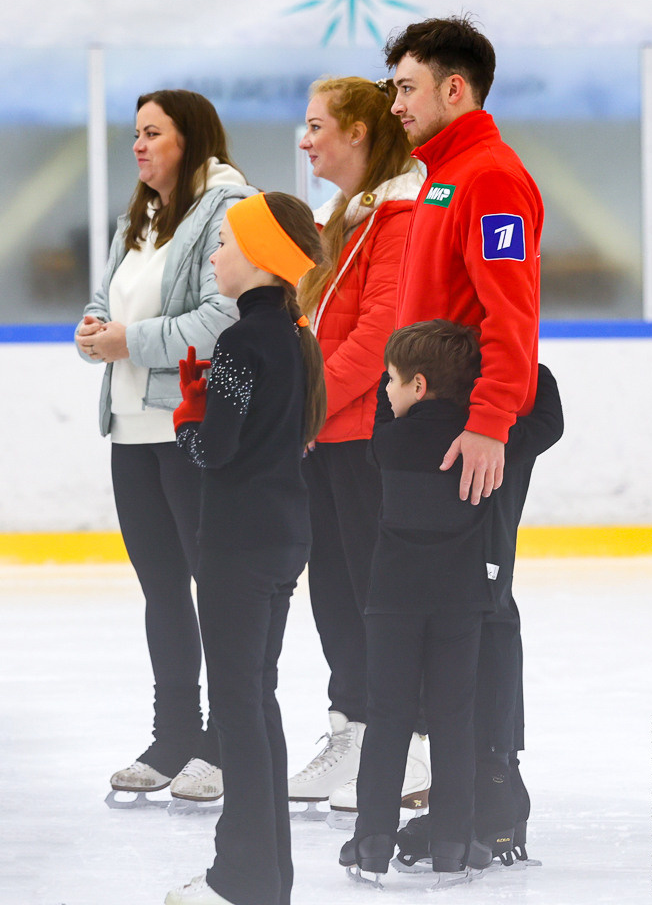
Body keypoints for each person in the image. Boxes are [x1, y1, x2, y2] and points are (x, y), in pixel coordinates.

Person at [384, 15, 543, 856]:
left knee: (478, 608)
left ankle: (489, 796)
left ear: (455, 88)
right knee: (452, 608)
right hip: (438, 430)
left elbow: (511, 314)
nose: (395, 103)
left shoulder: (488, 178)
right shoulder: (441, 178)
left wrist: (488, 424)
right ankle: (464, 789)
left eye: (406, 86)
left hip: (473, 434)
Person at [75, 89, 255, 806]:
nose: (138, 146)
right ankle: (176, 731)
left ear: (192, 138)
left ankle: (222, 741)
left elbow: (225, 314)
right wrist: (95, 332)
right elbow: (105, 299)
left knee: (215, 588)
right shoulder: (140, 217)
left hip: (188, 428)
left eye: (153, 133)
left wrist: (130, 341)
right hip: (129, 428)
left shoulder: (227, 208)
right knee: (162, 589)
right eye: (135, 134)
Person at [339, 321, 563, 887]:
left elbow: (385, 417)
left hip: (390, 601)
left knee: (387, 716)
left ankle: (370, 842)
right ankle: (453, 846)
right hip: (461, 601)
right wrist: (512, 366)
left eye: (390, 380)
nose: (384, 390)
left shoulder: (388, 441)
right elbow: (548, 419)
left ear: (417, 385)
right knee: (454, 720)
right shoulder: (487, 446)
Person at [165, 192, 326, 905]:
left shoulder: (241, 341)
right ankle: (266, 878)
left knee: (238, 707)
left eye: (226, 244)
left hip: (238, 543)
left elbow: (215, 448)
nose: (215, 256)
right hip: (283, 535)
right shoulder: (291, 336)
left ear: (262, 258)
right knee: (255, 702)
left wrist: (185, 419)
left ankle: (241, 879)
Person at [287, 76, 430, 812]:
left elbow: (379, 335)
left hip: (367, 434)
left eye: (316, 126)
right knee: (337, 592)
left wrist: (305, 410)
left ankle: (408, 741)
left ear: (359, 134)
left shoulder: (402, 213)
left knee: (381, 593)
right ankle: (355, 728)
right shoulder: (340, 216)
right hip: (328, 436)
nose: (305, 140)